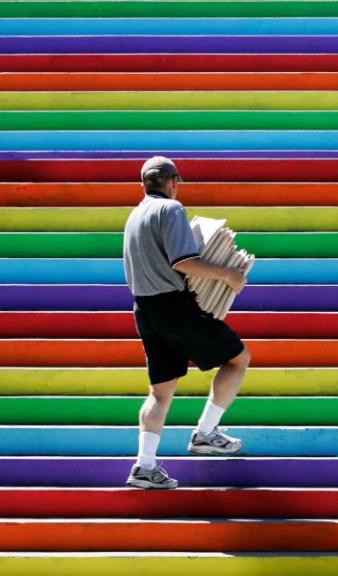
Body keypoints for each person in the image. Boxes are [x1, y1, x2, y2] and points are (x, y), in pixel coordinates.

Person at [122, 156, 251, 489]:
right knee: (239, 359)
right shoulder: (171, 210)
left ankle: (144, 467)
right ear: (173, 182)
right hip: (175, 306)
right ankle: (206, 432)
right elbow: (184, 262)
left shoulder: (134, 215)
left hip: (145, 309)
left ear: (142, 184)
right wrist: (229, 275)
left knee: (160, 393)